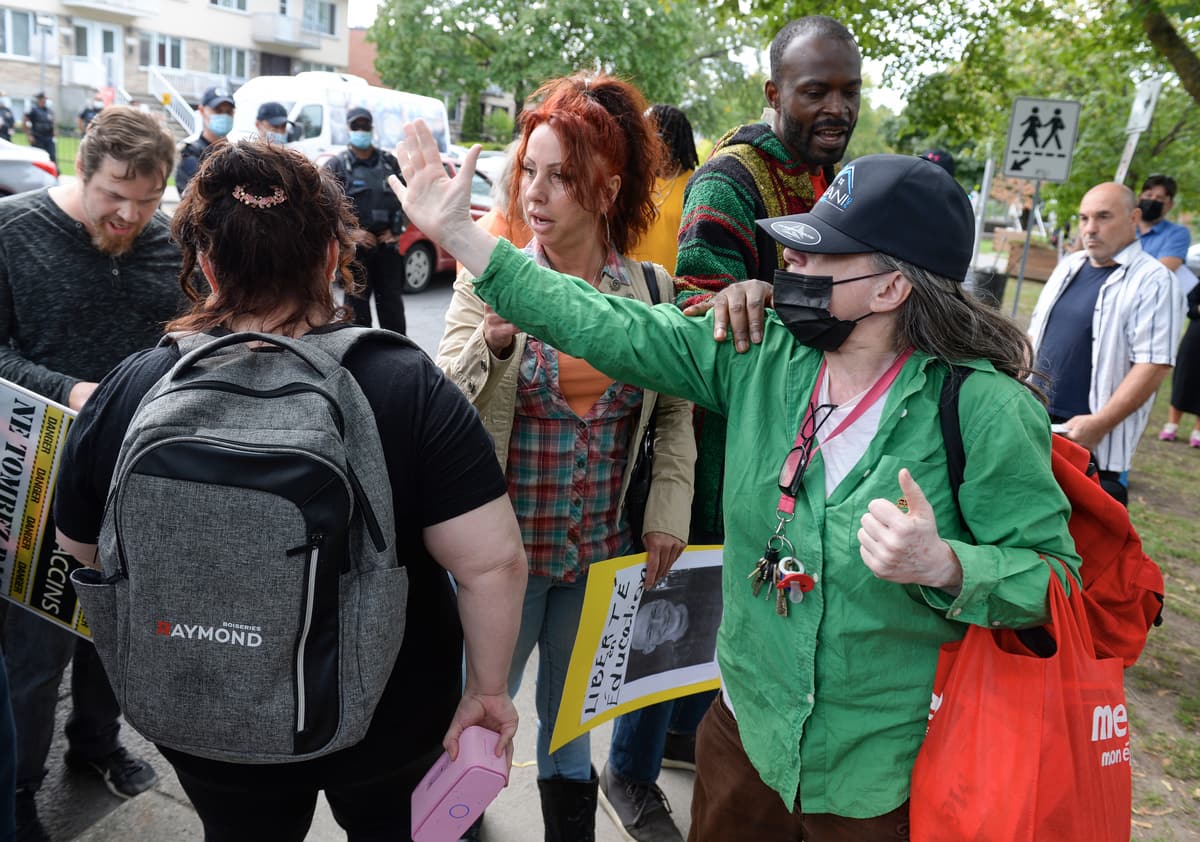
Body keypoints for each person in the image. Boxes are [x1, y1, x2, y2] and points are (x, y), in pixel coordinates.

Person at [393, 123, 1082, 840]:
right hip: (744, 735)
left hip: (881, 772)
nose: (791, 266)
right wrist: (470, 242)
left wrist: (947, 566)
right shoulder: (760, 353)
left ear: (890, 286)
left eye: (818, 255)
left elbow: (1055, 584)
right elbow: (607, 325)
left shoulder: (983, 409)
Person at [51, 139, 528, 841]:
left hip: (202, 715)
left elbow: (78, 547)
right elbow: (492, 563)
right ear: (332, 258)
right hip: (386, 717)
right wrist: (487, 692)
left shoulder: (133, 385)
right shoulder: (403, 385)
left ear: (205, 263)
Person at [434, 75, 695, 842]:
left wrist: (665, 513)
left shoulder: (650, 291)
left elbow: (676, 410)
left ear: (606, 189)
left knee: (572, 724)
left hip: (598, 557)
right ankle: (456, 825)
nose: (537, 193)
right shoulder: (492, 277)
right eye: (530, 171)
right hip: (500, 566)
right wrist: (490, 344)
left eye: (562, 176)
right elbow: (440, 404)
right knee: (479, 713)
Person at [0, 104, 186, 842]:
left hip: (136, 475)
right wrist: (72, 391)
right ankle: (17, 785)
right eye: (116, 194)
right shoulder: (15, 231)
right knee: (35, 644)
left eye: (147, 199)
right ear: (85, 170)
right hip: (41, 467)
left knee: (114, 629)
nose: (131, 214)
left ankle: (97, 745)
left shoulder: (169, 242)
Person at [675, 15, 861, 546]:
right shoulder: (727, 181)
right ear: (774, 94)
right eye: (816, 91)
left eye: (850, 92)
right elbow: (699, 317)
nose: (838, 109)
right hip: (732, 459)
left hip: (814, 439)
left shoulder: (830, 177)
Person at [602, 101, 707, 842]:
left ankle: (645, 752)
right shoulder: (505, 265)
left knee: (668, 615)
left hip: (645, 474)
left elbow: (673, 401)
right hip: (527, 530)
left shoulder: (658, 260)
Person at [1029, 182, 1183, 505]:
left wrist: (1100, 423)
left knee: (1081, 548)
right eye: (1084, 218)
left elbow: (1153, 364)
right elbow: (1035, 337)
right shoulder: (1069, 267)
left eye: (1103, 217)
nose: (1090, 228)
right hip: (1035, 425)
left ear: (1133, 218)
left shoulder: (1154, 280)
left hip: (1091, 444)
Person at [324, 107, 407, 333]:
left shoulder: (390, 163)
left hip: (387, 250)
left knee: (393, 313)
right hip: (355, 255)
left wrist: (398, 230)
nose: (361, 130)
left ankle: (399, 358)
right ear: (348, 129)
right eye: (356, 127)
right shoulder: (337, 166)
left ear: (371, 128)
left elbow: (410, 199)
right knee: (356, 318)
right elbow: (322, 210)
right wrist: (350, 233)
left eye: (365, 126)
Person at [627, 104, 699, 272]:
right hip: (633, 284)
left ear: (671, 140)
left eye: (650, 136)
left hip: (674, 287)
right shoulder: (636, 181)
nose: (642, 142)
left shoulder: (695, 184)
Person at [1160, 283, 1200, 448]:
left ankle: (1198, 432)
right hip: (1195, 340)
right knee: (1184, 379)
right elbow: (1188, 305)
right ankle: (1172, 424)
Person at [175, 86, 235, 195]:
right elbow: (195, 194)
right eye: (218, 111)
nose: (224, 116)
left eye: (228, 112)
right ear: (202, 111)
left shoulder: (237, 152)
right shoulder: (190, 152)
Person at [1135, 173, 1191, 272]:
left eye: (1159, 198)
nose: (1152, 200)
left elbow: (1161, 272)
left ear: (1170, 205)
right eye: (1148, 195)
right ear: (1139, 198)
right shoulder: (1123, 227)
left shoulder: (1177, 234)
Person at [22, 93, 55, 164]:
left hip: (48, 137)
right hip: (37, 137)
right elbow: (25, 121)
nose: (45, 100)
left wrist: (54, 133)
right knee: (38, 157)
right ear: (40, 99)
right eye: (44, 99)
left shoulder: (48, 110)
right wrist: (29, 136)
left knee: (52, 156)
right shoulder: (33, 109)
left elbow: (52, 122)